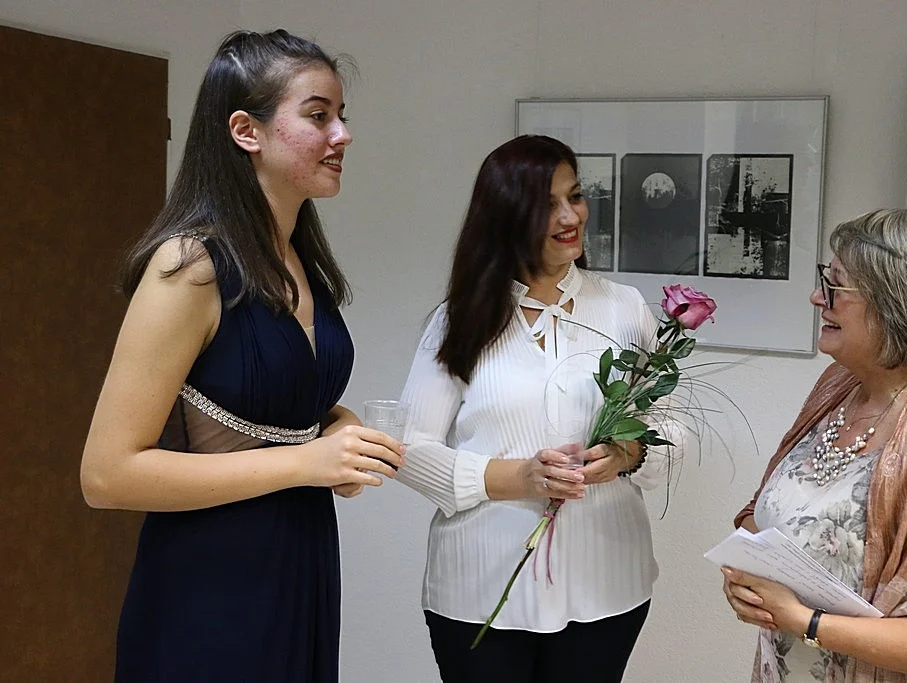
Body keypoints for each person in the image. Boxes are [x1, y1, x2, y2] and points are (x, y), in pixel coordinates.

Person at [79, 30, 404, 682]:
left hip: (302, 561)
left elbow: (269, 403)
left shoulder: (299, 261)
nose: (342, 135)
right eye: (318, 115)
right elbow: (107, 475)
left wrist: (335, 426)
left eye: (341, 116)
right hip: (210, 584)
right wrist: (306, 461)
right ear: (245, 131)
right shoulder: (188, 266)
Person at [396, 135, 684, 683]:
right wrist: (518, 478)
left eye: (574, 196)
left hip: (606, 585)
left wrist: (629, 453)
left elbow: (673, 423)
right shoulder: (459, 320)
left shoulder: (623, 307)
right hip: (480, 591)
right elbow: (410, 451)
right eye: (546, 204)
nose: (570, 216)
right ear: (505, 215)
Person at [723, 209, 907, 683]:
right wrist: (751, 581)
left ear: (898, 303)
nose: (817, 297)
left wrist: (805, 622)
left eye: (836, 285)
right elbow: (769, 514)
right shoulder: (840, 383)